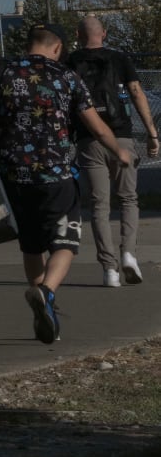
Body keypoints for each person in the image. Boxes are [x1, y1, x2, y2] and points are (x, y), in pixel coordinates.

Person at [0, 22, 126, 345]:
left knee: (31, 244)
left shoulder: (1, 72)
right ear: (57, 47)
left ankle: (43, 306)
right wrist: (119, 152)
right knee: (66, 241)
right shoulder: (67, 77)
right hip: (55, 174)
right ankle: (46, 291)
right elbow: (96, 127)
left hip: (14, 176)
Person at [69, 15, 152, 291]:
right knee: (128, 198)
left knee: (99, 205)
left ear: (78, 36)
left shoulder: (70, 62)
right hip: (122, 136)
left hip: (88, 138)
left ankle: (109, 270)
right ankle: (128, 253)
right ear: (103, 33)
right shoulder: (120, 59)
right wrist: (152, 132)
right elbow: (137, 93)